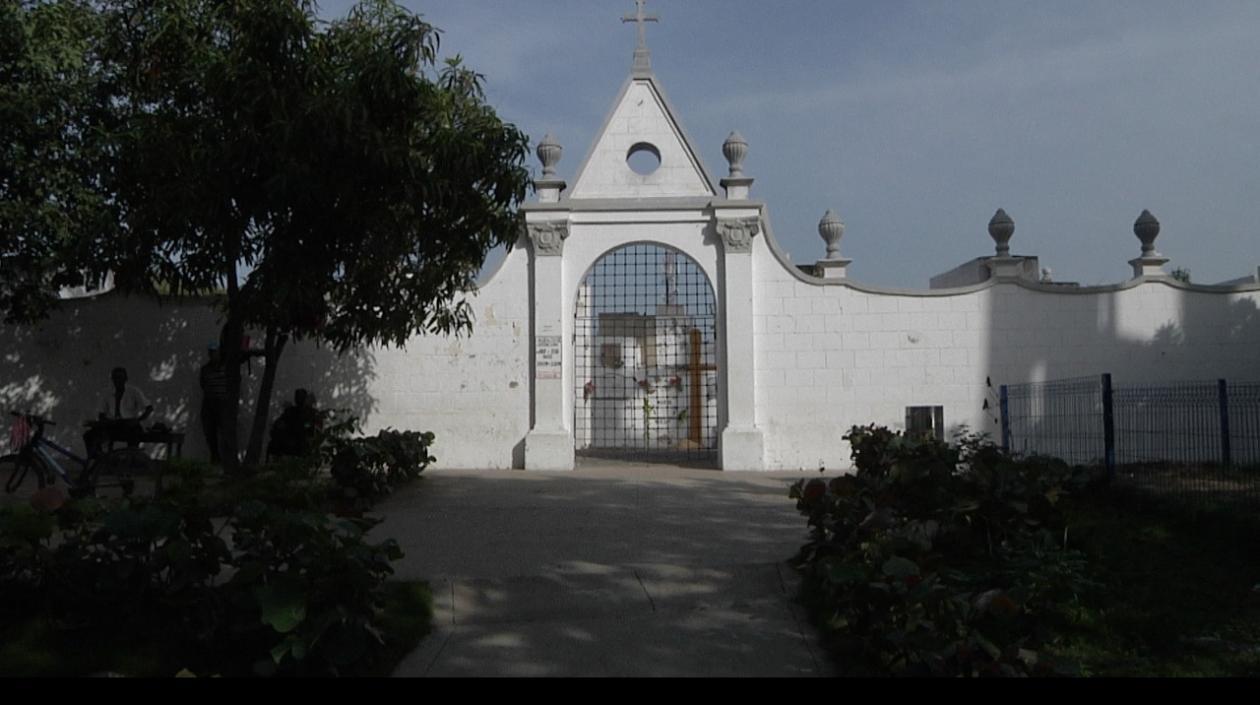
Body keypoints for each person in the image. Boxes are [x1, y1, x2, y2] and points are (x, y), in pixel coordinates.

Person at [83, 367, 153, 458]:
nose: (118, 381)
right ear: (112, 379)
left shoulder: (134, 391)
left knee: (135, 436)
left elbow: (149, 408)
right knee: (89, 435)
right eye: (115, 378)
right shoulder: (106, 393)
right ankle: (99, 459)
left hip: (130, 425)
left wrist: (138, 420)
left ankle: (132, 460)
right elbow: (101, 413)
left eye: (120, 378)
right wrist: (105, 422)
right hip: (113, 425)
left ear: (125, 379)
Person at [268, 389, 323, 459]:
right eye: (297, 397)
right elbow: (281, 421)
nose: (299, 399)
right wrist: (279, 425)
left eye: (301, 397)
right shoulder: (290, 411)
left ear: (305, 398)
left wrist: (305, 426)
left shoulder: (312, 412)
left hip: (304, 438)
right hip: (290, 437)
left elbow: (313, 425)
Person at [199, 343, 228, 463]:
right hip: (209, 402)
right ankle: (215, 456)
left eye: (215, 352)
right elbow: (203, 384)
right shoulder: (205, 369)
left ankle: (226, 457)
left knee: (225, 431)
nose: (213, 355)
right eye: (211, 352)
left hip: (223, 402)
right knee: (210, 431)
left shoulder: (227, 368)